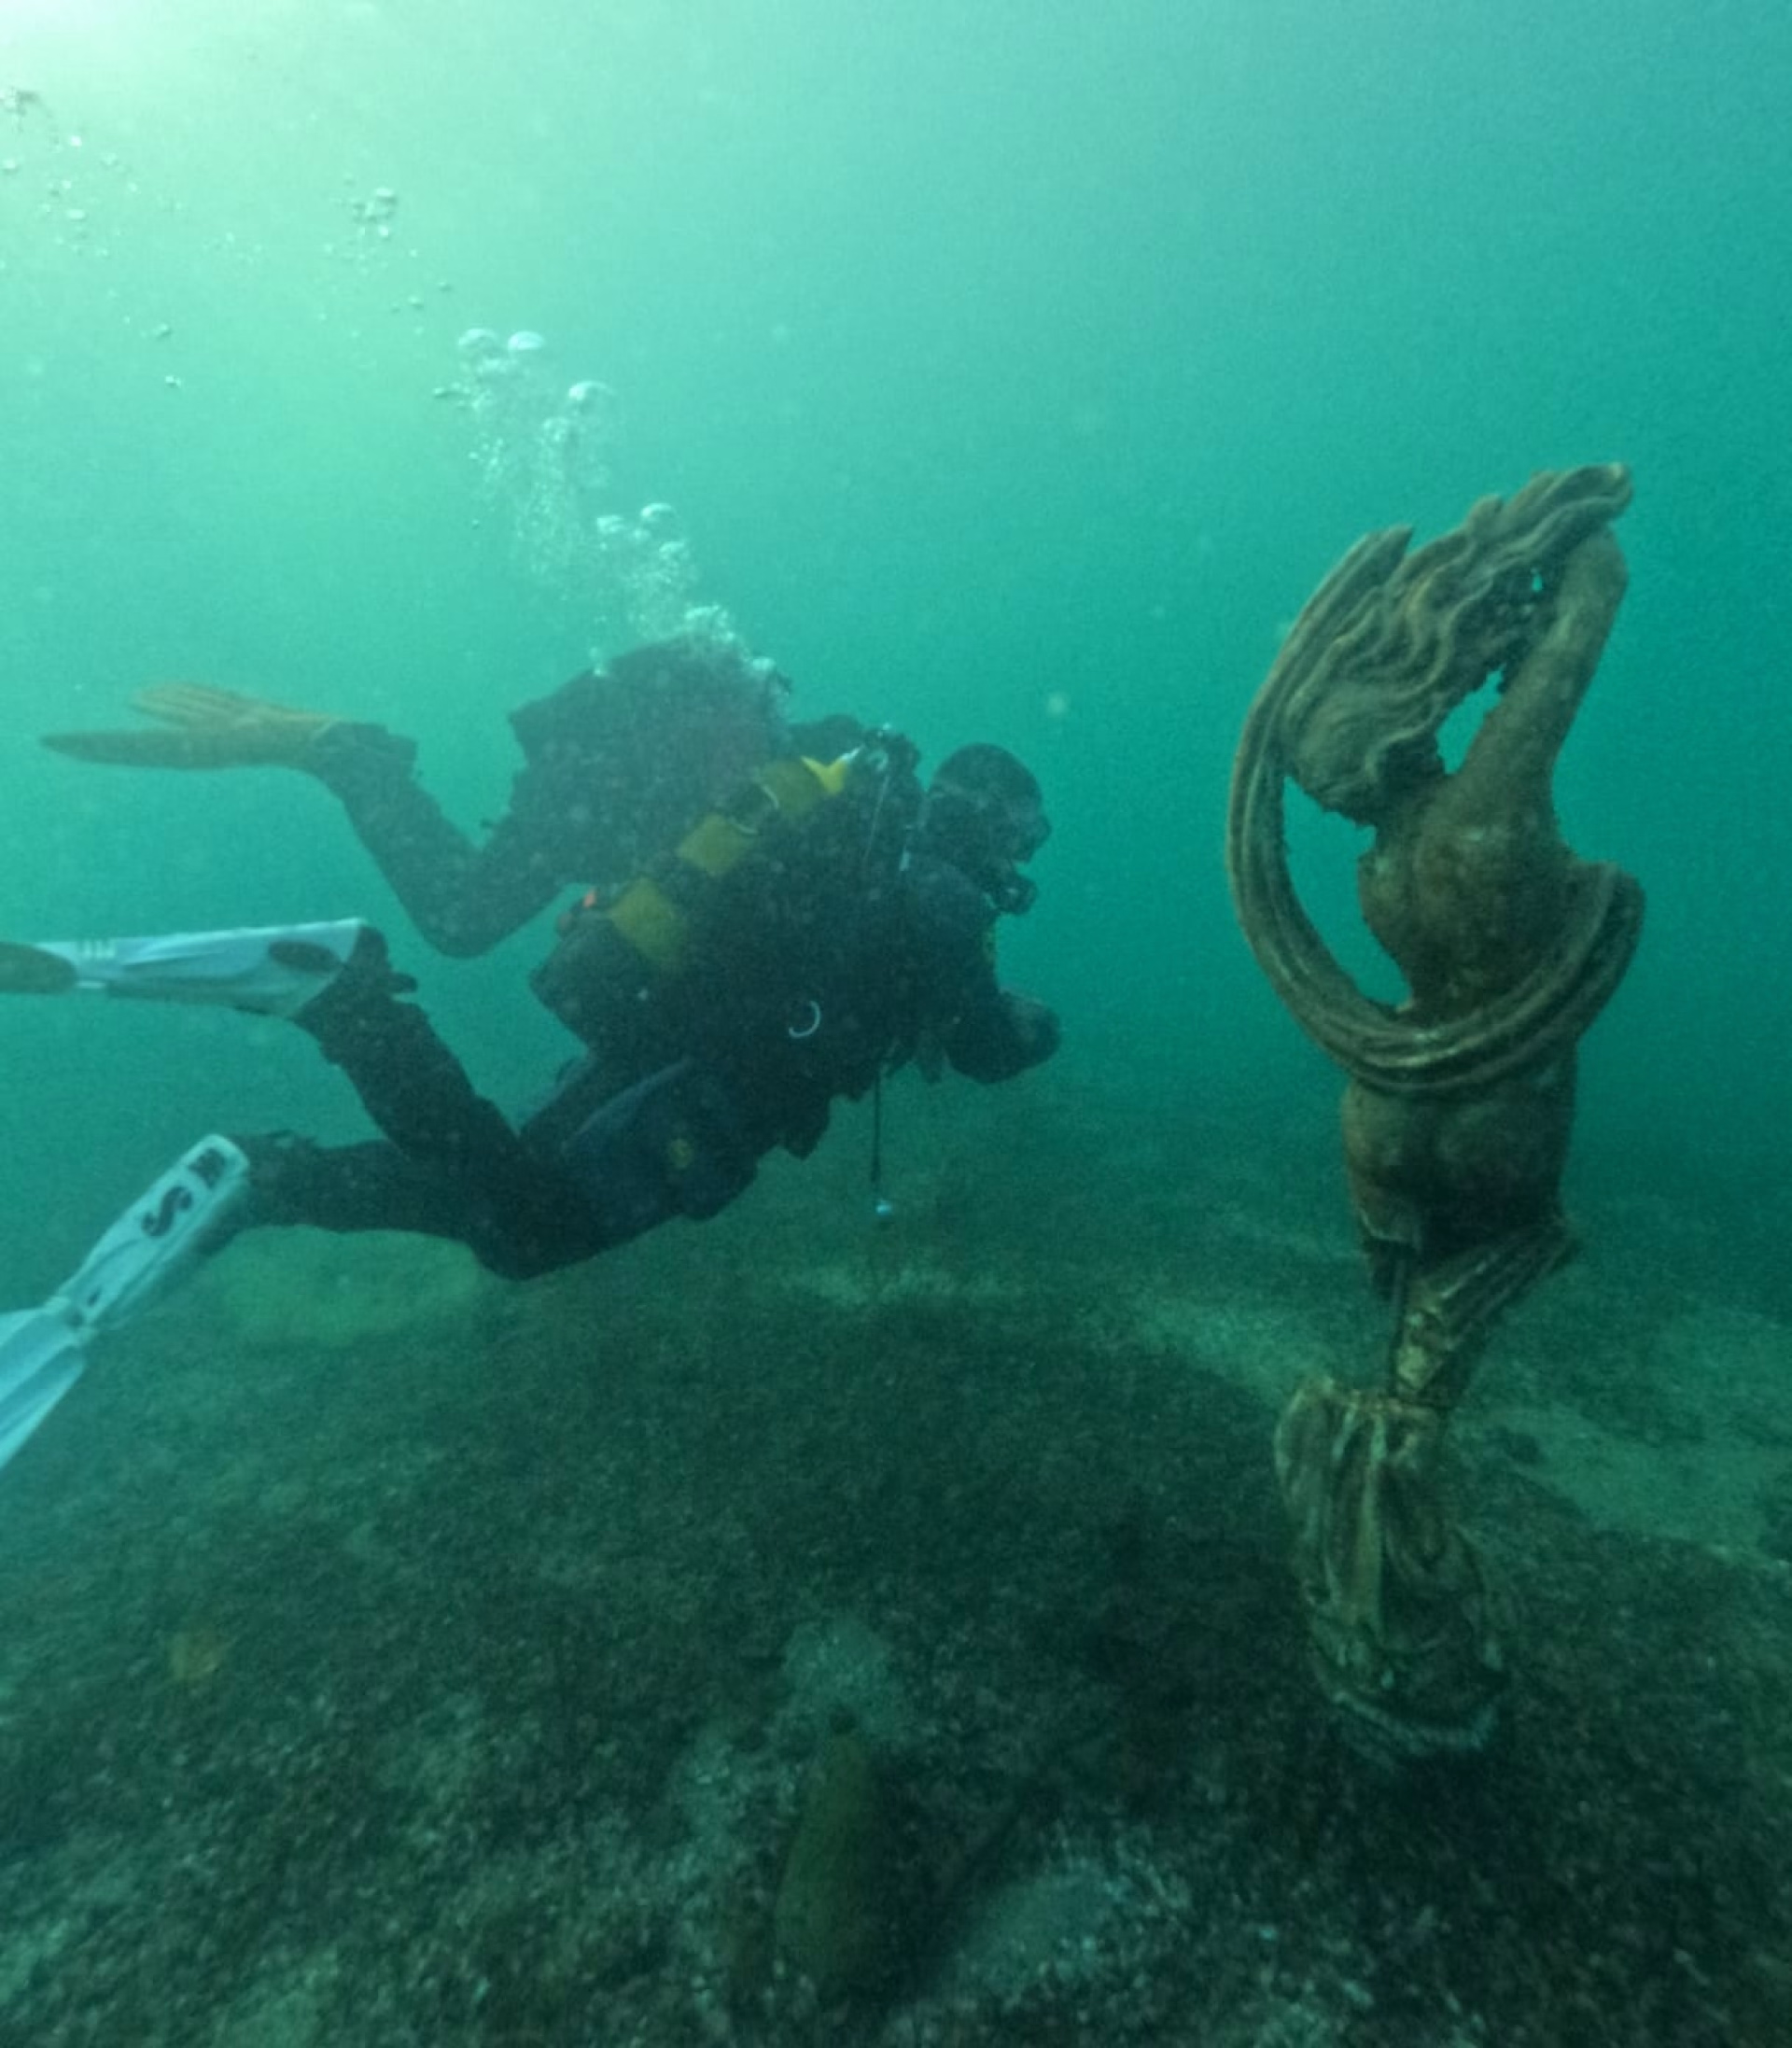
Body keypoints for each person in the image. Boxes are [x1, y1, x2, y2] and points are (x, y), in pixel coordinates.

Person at [0, 726, 1059, 1470]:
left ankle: (270, 1175)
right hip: (697, 1094)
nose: (1021, 861)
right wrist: (1033, 1020)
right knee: (525, 1228)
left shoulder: (864, 848)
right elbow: (984, 1051)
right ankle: (345, 1002)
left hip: (660, 1053)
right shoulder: (947, 895)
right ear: (993, 819)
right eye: (1026, 838)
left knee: (498, 1197)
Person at [41, 633, 869, 960]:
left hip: (590, 785)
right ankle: (346, 754)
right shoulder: (781, 765)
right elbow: (710, 814)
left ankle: (346, 750)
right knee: (463, 920)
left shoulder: (770, 738)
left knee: (465, 914)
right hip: (591, 791)